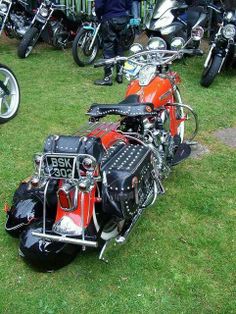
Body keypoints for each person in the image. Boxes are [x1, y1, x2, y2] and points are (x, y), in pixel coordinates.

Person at [94, 0, 132, 86]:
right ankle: (119, 75)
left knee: (108, 47)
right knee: (120, 46)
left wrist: (99, 16)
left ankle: (108, 77)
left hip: (109, 17)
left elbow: (99, 6)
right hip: (122, 18)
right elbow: (129, 4)